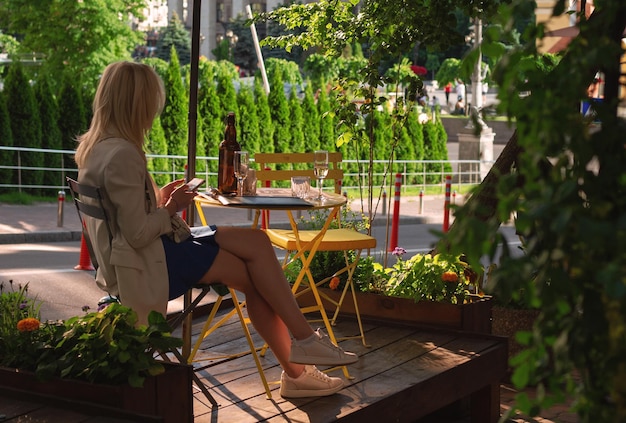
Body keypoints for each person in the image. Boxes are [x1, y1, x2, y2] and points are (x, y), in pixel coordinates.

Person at [74, 61, 358, 399]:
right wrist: (170, 207)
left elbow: (128, 217)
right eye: (151, 103)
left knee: (257, 241)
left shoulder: (97, 147)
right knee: (256, 278)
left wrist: (160, 198)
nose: (154, 112)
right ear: (136, 104)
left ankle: (304, 353)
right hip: (150, 263)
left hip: (152, 251)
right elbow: (137, 234)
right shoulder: (123, 153)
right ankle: (300, 365)